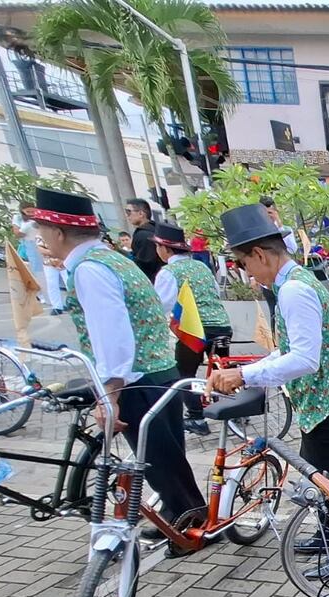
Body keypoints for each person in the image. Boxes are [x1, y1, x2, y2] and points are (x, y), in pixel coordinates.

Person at [28, 188, 204, 529]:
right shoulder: (115, 260)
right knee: (168, 460)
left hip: (138, 379)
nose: (40, 237)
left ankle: (189, 525)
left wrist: (110, 394)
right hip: (159, 372)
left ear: (58, 232)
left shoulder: (91, 269)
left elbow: (112, 335)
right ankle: (182, 516)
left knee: (159, 463)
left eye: (42, 230)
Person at [208, 202, 329, 496]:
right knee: (327, 481)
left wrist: (244, 375)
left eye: (243, 263)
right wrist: (249, 370)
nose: (247, 273)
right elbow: (292, 348)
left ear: (260, 255)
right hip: (328, 404)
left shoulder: (294, 290)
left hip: (328, 407)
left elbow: (304, 359)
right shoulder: (295, 282)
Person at [153, 222, 232, 435]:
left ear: (165, 249)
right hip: (222, 324)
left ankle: (196, 417)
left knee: (184, 372)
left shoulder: (169, 272)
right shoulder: (201, 267)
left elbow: (162, 303)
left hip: (195, 329)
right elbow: (215, 292)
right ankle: (234, 410)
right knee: (223, 370)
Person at [125, 199, 161, 281]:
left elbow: (144, 265)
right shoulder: (157, 229)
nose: (127, 216)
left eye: (129, 212)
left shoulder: (142, 235)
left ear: (141, 213)